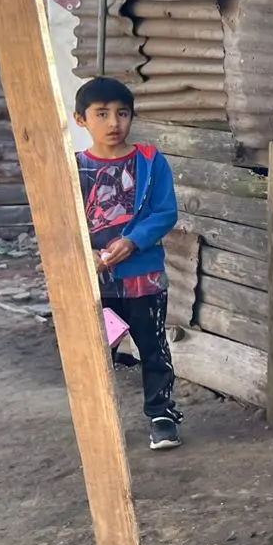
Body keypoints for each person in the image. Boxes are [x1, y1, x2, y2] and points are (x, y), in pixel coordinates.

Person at [72, 77, 182, 451]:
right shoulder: (74, 168)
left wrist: (132, 242)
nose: (113, 122)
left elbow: (165, 212)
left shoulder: (150, 162)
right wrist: (87, 253)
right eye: (100, 114)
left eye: (121, 113)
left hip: (143, 276)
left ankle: (162, 415)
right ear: (80, 120)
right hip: (94, 279)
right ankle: (100, 420)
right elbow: (62, 218)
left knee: (152, 347)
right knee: (96, 349)